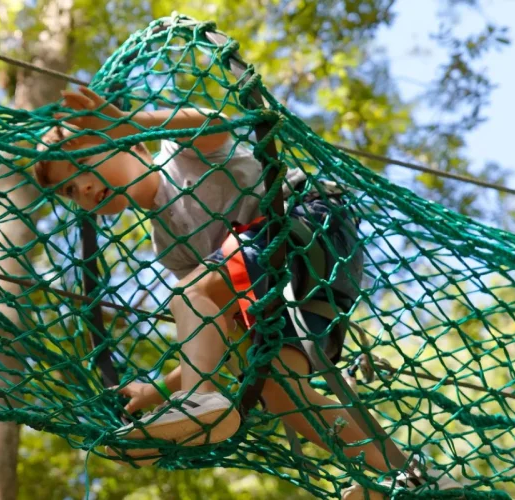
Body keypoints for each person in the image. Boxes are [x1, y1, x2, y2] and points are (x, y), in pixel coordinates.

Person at [31, 86, 462, 497]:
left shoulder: (178, 152)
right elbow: (210, 331)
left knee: (189, 294)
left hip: (304, 228)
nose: (83, 188)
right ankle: (412, 477)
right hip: (299, 293)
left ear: (124, 141)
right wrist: (160, 389)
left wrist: (134, 122)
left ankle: (195, 401)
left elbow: (215, 125)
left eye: (84, 163)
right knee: (280, 391)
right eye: (70, 190)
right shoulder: (170, 247)